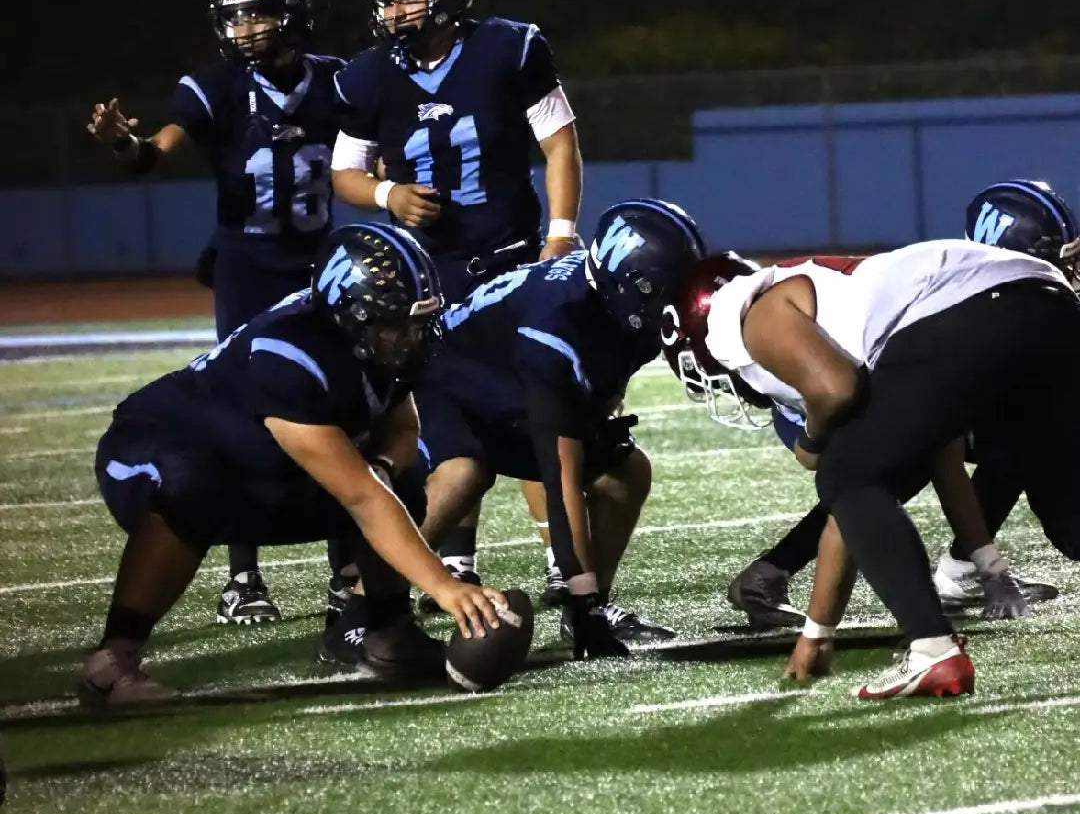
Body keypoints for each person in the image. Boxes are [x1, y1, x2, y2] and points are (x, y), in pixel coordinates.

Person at [79, 224, 506, 707]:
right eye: (396, 324)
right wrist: (444, 586)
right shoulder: (288, 353)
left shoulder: (380, 338)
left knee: (402, 474)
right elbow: (361, 498)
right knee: (189, 487)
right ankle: (113, 662)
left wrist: (385, 468)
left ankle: (383, 631)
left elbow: (403, 430)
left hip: (258, 467)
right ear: (351, 314)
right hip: (148, 449)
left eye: (416, 322)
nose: (410, 336)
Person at [662, 236, 1080, 699]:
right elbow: (935, 458)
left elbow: (836, 390)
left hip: (977, 307)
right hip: (1050, 305)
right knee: (1069, 521)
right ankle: (929, 648)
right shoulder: (845, 311)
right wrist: (818, 632)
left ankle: (932, 651)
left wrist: (812, 441)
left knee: (846, 472)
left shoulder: (749, 314)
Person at [88, 0, 347, 627]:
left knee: (342, 409)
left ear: (293, 12)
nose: (244, 28)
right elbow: (158, 151)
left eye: (258, 12)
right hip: (248, 267)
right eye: (235, 16)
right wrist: (126, 144)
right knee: (245, 416)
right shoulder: (215, 87)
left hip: (321, 268)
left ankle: (348, 577)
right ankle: (244, 577)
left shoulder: (337, 83)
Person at [331, 0, 584, 605]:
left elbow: (560, 146)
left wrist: (558, 239)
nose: (394, 14)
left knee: (537, 409)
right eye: (386, 1)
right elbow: (345, 174)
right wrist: (388, 194)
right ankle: (435, 567)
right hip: (427, 278)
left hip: (508, 258)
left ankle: (565, 567)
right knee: (451, 431)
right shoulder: (365, 75)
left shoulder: (511, 47)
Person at [722, 178, 1074, 628]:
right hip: (833, 375)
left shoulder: (959, 293)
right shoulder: (779, 322)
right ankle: (801, 586)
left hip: (867, 368)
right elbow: (889, 443)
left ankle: (943, 589)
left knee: (1002, 443)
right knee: (877, 469)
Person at [400, 199, 705, 661]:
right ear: (626, 284)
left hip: (511, 383)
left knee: (626, 473)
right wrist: (580, 603)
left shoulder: (616, 307)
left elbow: (603, 393)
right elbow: (560, 481)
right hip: (448, 381)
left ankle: (593, 604)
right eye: (661, 291)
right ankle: (366, 608)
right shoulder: (555, 328)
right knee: (464, 474)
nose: (671, 304)